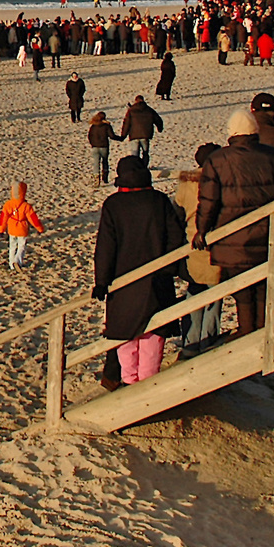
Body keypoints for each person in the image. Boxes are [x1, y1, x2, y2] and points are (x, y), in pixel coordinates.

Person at [194, 110, 274, 336]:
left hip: (231, 239)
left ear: (231, 133)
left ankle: (248, 334)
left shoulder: (217, 160)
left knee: (243, 293)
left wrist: (202, 229)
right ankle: (263, 334)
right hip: (267, 234)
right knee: (262, 288)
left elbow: (208, 200)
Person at [93, 156, 186, 386]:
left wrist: (101, 281)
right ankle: (148, 383)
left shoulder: (114, 204)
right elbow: (175, 237)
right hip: (157, 279)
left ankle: (129, 382)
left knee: (125, 334)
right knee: (153, 334)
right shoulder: (159, 200)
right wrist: (169, 268)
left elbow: (106, 246)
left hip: (123, 282)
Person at [175, 145, 223, 359]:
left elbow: (178, 209)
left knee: (194, 292)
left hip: (192, 243)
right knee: (215, 294)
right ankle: (209, 339)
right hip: (216, 243)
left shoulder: (187, 184)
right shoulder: (222, 182)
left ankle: (191, 342)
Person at [0, 181, 46, 269]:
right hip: (22, 229)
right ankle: (17, 261)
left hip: (12, 228)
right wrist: (40, 229)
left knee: (12, 246)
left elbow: (3, 218)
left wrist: (1, 230)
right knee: (21, 247)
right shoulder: (26, 206)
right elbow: (33, 219)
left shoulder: (8, 204)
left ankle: (11, 264)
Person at [119, 95, 164, 164]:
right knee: (145, 152)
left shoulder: (131, 111)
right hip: (145, 135)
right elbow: (158, 119)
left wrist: (123, 135)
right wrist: (160, 128)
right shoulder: (149, 109)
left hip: (134, 135)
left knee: (135, 153)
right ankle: (144, 166)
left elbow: (126, 124)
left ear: (136, 101)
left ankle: (136, 167)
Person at [87, 110, 121, 185]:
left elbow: (89, 136)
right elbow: (112, 136)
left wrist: (92, 144)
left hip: (95, 147)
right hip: (104, 146)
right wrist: (120, 138)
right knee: (105, 161)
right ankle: (105, 177)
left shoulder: (93, 126)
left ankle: (96, 177)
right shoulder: (106, 126)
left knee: (96, 163)